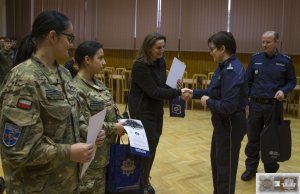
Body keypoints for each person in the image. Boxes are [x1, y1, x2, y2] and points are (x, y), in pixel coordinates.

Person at [0, 11, 105, 193]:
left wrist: (88, 132)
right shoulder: (24, 79)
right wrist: (69, 152)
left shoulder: (64, 74)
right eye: (69, 38)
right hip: (36, 187)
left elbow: (70, 118)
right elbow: (16, 150)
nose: (72, 45)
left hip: (66, 182)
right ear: (53, 36)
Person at [128, 32, 192, 194]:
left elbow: (162, 85)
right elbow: (154, 91)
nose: (162, 50)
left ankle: (144, 177)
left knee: (153, 145)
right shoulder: (140, 65)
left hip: (155, 111)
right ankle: (138, 183)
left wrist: (173, 85)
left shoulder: (160, 61)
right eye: (158, 47)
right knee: (142, 150)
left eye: (163, 47)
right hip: (141, 112)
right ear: (148, 47)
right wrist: (178, 92)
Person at [192, 31, 247, 194]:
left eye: (212, 49)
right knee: (217, 163)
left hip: (230, 124)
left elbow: (228, 106)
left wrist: (207, 101)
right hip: (222, 124)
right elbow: (212, 91)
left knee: (226, 169)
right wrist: (192, 93)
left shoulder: (232, 70)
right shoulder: (223, 67)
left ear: (222, 49)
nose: (210, 53)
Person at [241, 31, 296, 181]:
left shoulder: (285, 60)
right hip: (255, 106)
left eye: (268, 42)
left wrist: (283, 91)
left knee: (272, 139)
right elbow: (247, 82)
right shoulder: (255, 59)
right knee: (253, 139)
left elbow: (292, 82)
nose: (264, 45)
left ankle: (270, 172)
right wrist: (246, 103)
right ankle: (251, 169)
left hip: (274, 106)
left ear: (276, 42)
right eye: (263, 42)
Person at [72, 41, 126, 194]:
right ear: (87, 60)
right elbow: (83, 124)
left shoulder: (99, 84)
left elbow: (112, 109)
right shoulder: (75, 88)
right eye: (100, 58)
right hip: (91, 159)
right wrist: (115, 128)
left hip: (108, 154)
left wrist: (122, 121)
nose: (104, 62)